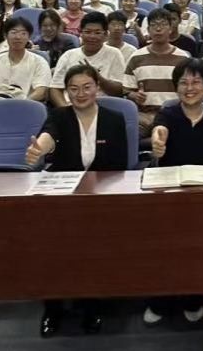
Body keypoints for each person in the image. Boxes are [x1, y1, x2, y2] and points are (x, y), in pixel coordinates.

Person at [24, 64, 128, 336]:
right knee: (54, 248)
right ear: (66, 92)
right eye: (73, 89)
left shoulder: (114, 119)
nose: (80, 94)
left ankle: (92, 305)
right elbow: (48, 137)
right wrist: (39, 149)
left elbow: (120, 166)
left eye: (86, 87)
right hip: (64, 197)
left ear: (97, 88)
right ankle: (53, 308)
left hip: (100, 198)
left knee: (94, 249)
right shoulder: (59, 116)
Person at [146, 60, 203, 326]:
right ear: (176, 87)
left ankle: (194, 298)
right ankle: (160, 299)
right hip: (170, 195)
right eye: (183, 82)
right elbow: (159, 131)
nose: (189, 88)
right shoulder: (168, 114)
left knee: (199, 248)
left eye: (196, 82)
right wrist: (157, 142)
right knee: (164, 248)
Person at [123, 9, 191, 131]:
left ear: (171, 29)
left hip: (174, 115)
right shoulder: (136, 57)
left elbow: (189, 90)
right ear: (148, 30)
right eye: (154, 25)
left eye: (163, 24)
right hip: (144, 116)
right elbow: (127, 90)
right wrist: (134, 95)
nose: (158, 29)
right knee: (127, 134)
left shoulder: (183, 58)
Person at [50, 12, 126, 106]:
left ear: (106, 34)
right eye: (87, 32)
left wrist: (98, 77)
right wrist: (66, 109)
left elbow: (119, 90)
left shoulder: (115, 54)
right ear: (81, 33)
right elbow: (55, 88)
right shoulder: (68, 55)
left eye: (97, 33)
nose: (92, 36)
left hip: (102, 107)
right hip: (70, 106)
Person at [0, 16, 49, 103]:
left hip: (26, 106)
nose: (18, 37)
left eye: (23, 33)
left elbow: (40, 92)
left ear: (29, 37)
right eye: (13, 32)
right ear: (6, 36)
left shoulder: (39, 62)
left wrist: (19, 104)